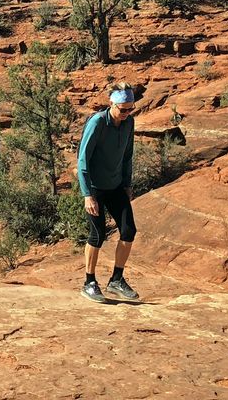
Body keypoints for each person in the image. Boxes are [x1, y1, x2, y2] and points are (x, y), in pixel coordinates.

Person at [77, 84, 139, 303]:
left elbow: (128, 155)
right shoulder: (97, 123)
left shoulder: (129, 123)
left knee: (128, 230)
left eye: (130, 109)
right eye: (122, 109)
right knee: (97, 235)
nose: (126, 114)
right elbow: (83, 159)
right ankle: (89, 282)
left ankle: (116, 279)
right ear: (111, 104)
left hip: (115, 186)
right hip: (94, 188)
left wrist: (127, 184)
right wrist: (87, 195)